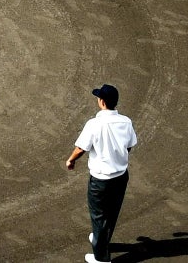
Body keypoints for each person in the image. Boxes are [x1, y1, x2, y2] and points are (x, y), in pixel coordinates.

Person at [66, 82, 138, 263]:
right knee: (112, 213)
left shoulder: (94, 124)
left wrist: (71, 160)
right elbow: (129, 146)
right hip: (121, 177)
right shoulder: (126, 122)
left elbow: (81, 148)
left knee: (99, 216)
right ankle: (101, 239)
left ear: (102, 102)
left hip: (100, 181)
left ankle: (101, 258)